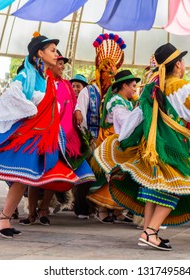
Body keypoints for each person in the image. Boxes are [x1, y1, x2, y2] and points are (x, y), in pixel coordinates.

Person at [94, 43, 190, 251]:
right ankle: (151, 232)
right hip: (173, 147)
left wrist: (122, 139)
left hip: (151, 148)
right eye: (182, 61)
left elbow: (136, 117)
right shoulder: (182, 87)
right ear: (178, 64)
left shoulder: (152, 89)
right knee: (173, 188)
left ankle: (147, 230)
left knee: (154, 186)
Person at [0, 33, 79, 238]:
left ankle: (7, 216)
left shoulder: (48, 80)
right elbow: (12, 96)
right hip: (26, 134)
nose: (56, 54)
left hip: (41, 135)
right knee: (20, 175)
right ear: (39, 53)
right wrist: (31, 110)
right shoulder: (26, 76)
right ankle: (5, 217)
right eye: (52, 50)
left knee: (24, 176)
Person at [19, 50, 95, 226]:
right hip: (42, 134)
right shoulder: (42, 82)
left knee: (53, 174)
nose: (61, 67)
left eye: (63, 64)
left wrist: (77, 111)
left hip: (63, 137)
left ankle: (44, 209)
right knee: (35, 175)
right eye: (59, 63)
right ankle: (31, 212)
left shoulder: (66, 85)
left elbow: (73, 103)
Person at [73, 33, 126, 222]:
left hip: (110, 141)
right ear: (98, 69)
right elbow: (80, 110)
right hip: (91, 139)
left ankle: (111, 209)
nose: (108, 74)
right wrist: (87, 138)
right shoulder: (89, 91)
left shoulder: (116, 94)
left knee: (113, 175)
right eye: (105, 69)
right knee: (87, 175)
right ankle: (82, 207)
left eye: (111, 70)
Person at [87, 69, 139, 224]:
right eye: (133, 86)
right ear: (124, 86)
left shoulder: (127, 102)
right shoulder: (116, 102)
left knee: (121, 176)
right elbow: (125, 122)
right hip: (112, 143)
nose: (135, 90)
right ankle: (102, 209)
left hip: (121, 142)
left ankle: (117, 210)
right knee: (110, 176)